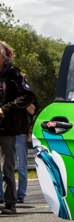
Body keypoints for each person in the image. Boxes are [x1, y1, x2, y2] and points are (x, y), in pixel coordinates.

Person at [0, 41, 35, 215]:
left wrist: (5, 109)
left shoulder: (13, 74)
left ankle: (10, 203)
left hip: (7, 128)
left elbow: (28, 96)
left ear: (4, 56)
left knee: (7, 167)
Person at [14, 73, 37, 204]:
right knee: (4, 166)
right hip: (7, 133)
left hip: (21, 133)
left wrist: (22, 99)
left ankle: (20, 194)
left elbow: (32, 110)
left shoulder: (27, 94)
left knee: (22, 165)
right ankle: (3, 194)